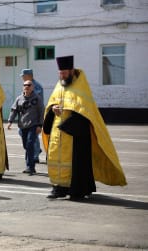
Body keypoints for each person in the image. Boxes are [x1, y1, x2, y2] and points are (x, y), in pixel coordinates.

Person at [42, 55, 127, 200]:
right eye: (60, 73)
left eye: (64, 73)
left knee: (75, 163)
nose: (62, 76)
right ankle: (59, 188)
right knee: (56, 160)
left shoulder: (81, 86)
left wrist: (67, 124)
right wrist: (52, 109)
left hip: (74, 133)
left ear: (71, 71)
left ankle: (77, 189)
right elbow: (51, 105)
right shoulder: (59, 86)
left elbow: (85, 111)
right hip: (58, 132)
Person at [7, 80, 44, 175]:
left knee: (30, 144)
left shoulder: (37, 98)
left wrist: (40, 125)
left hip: (33, 125)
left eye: (29, 85)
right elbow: (14, 110)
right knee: (26, 145)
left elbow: (41, 112)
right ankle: (31, 162)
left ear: (32, 87)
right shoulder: (19, 99)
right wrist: (10, 121)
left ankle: (30, 167)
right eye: (25, 85)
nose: (26, 87)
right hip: (23, 125)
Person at [20, 69, 44, 163]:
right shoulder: (27, 84)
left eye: (23, 75)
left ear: (29, 75)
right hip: (27, 116)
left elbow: (34, 101)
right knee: (24, 133)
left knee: (33, 135)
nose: (22, 77)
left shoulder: (36, 86)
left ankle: (35, 154)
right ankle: (35, 150)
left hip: (35, 115)